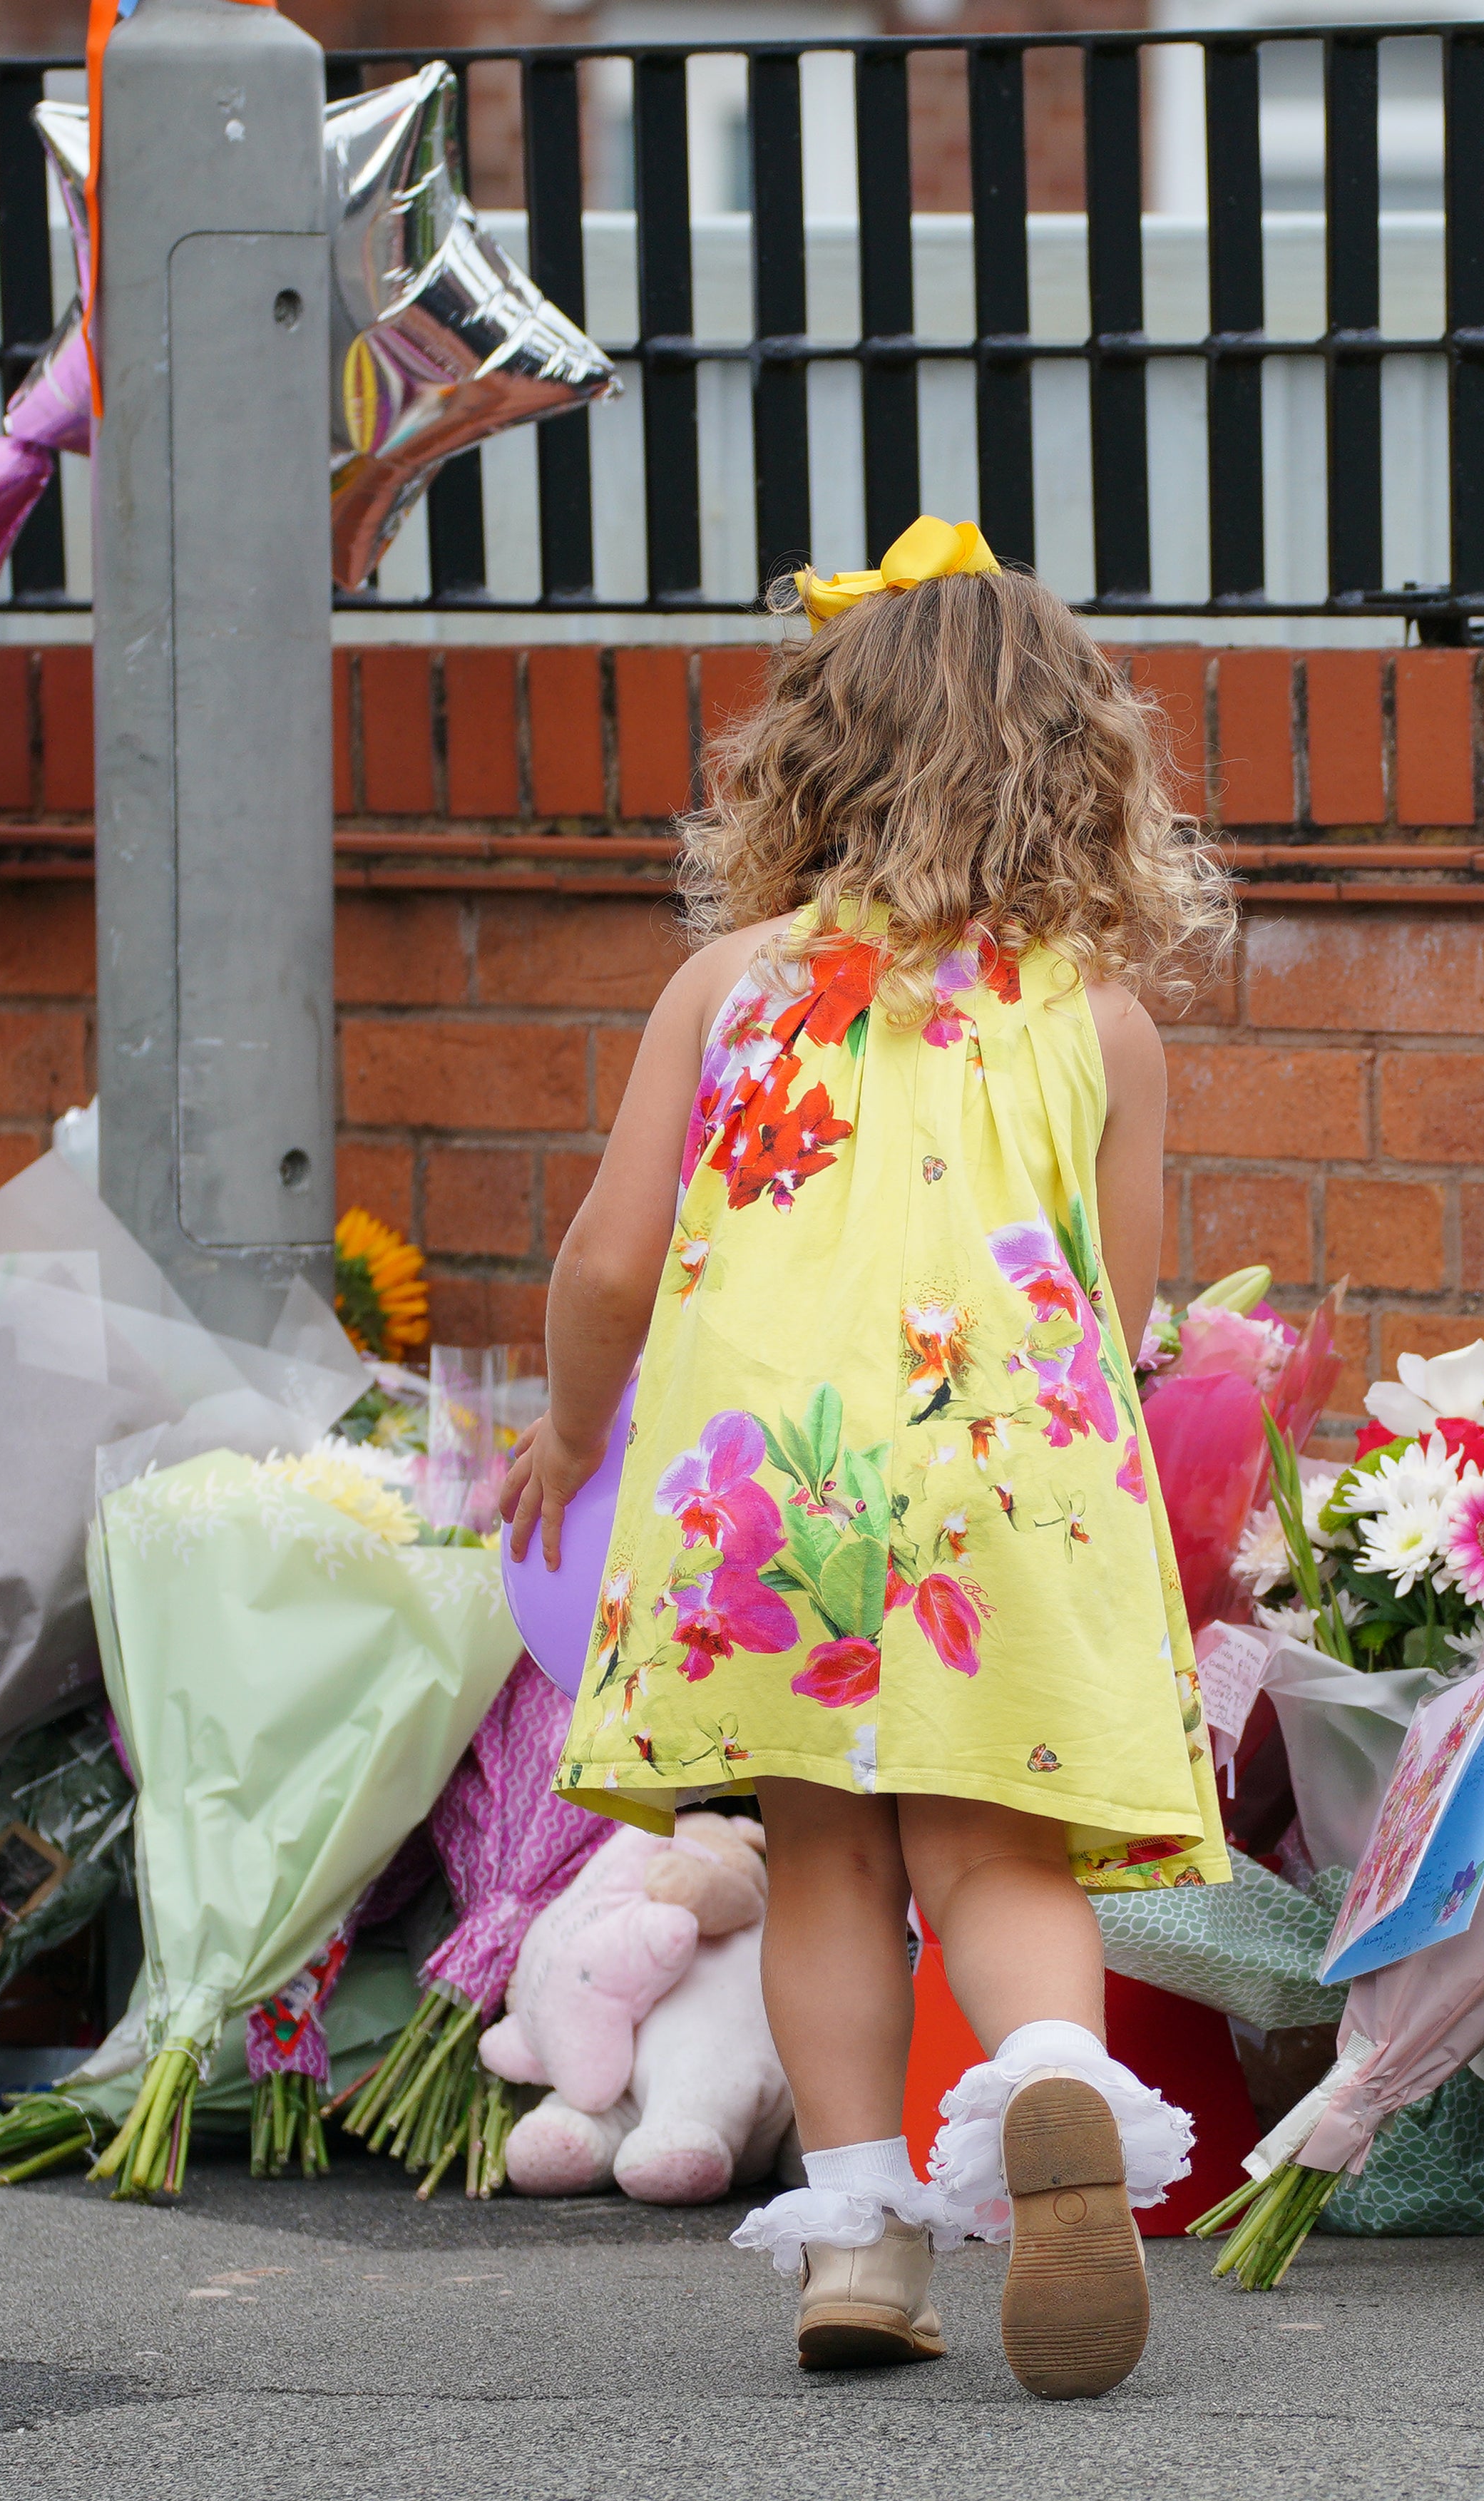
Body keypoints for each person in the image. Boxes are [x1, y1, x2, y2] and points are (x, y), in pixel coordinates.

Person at [495, 516, 1233, 2400]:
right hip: (1011, 1468)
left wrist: (574, 1438)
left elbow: (604, 1261)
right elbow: (1117, 1318)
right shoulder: (1102, 1020)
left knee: (822, 1845)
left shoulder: (732, 989)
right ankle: (1056, 2084)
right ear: (1082, 769)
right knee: (990, 1849)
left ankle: (855, 2240)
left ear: (809, 759)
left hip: (778, 1487)